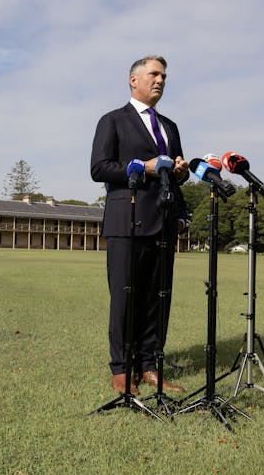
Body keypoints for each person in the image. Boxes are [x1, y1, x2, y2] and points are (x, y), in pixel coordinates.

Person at [90, 55, 189, 395]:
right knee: (125, 298)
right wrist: (140, 167)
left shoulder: (170, 127)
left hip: (163, 221)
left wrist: (179, 170)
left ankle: (150, 364)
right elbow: (100, 168)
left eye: (164, 75)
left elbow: (176, 176)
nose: (160, 80)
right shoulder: (113, 121)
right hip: (126, 220)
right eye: (154, 74)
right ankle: (121, 370)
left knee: (157, 298)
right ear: (134, 80)